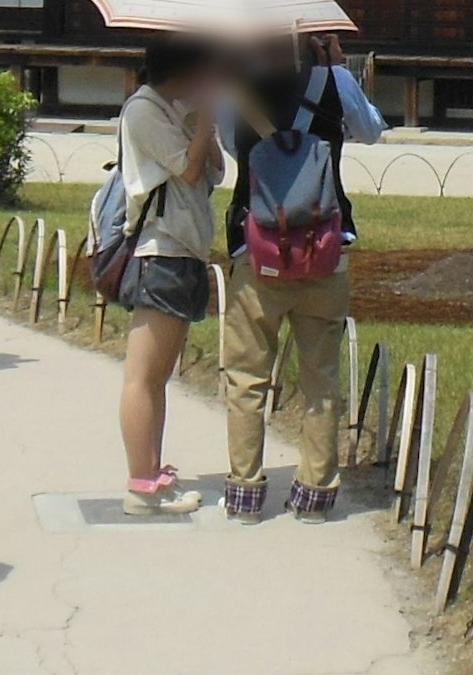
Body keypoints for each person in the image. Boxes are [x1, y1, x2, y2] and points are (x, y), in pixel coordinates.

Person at [216, 34, 387, 521]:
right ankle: (315, 493)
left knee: (247, 376)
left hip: (258, 249)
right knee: (321, 377)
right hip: (324, 249)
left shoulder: (236, 90)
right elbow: (371, 130)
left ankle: (245, 493)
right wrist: (335, 69)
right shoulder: (334, 80)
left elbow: (233, 147)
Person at [112, 41, 224, 518]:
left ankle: (153, 473)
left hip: (184, 251)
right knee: (144, 376)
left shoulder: (177, 109)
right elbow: (189, 166)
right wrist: (205, 117)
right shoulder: (143, 110)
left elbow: (215, 169)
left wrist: (204, 120)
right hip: (160, 252)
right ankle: (141, 486)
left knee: (159, 377)